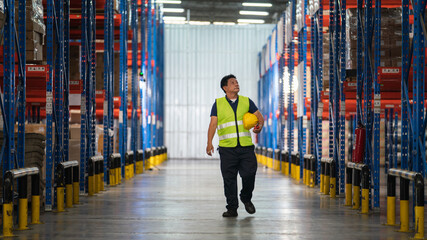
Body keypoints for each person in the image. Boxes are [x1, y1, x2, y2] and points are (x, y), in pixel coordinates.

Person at [206, 74, 264, 217]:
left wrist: (259, 126)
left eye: (237, 82)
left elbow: (259, 117)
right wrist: (209, 143)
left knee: (249, 174)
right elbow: (213, 124)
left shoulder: (246, 101)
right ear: (225, 88)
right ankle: (232, 208)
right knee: (229, 179)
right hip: (227, 149)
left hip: (245, 148)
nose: (236, 84)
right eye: (232, 83)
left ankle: (246, 197)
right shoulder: (218, 104)